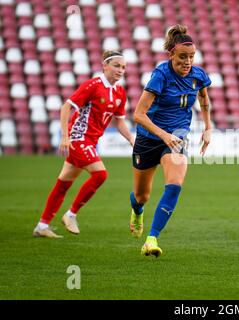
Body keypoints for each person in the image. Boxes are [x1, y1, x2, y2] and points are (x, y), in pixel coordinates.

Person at [129, 25, 212, 257]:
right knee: (141, 196)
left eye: (191, 57)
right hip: (148, 139)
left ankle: (151, 238)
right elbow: (138, 114)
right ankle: (137, 211)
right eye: (183, 57)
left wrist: (208, 127)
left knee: (175, 185)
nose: (187, 62)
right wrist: (163, 134)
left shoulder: (198, 75)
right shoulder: (160, 75)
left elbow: (204, 100)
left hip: (175, 138)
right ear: (171, 55)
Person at [33, 51, 134, 238]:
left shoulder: (120, 92)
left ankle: (41, 226)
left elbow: (119, 121)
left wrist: (132, 139)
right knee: (100, 174)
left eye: (123, 67)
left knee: (63, 183)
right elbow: (66, 107)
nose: (121, 70)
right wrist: (65, 136)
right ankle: (71, 214)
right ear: (105, 66)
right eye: (116, 66)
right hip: (78, 138)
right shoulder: (93, 85)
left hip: (91, 141)